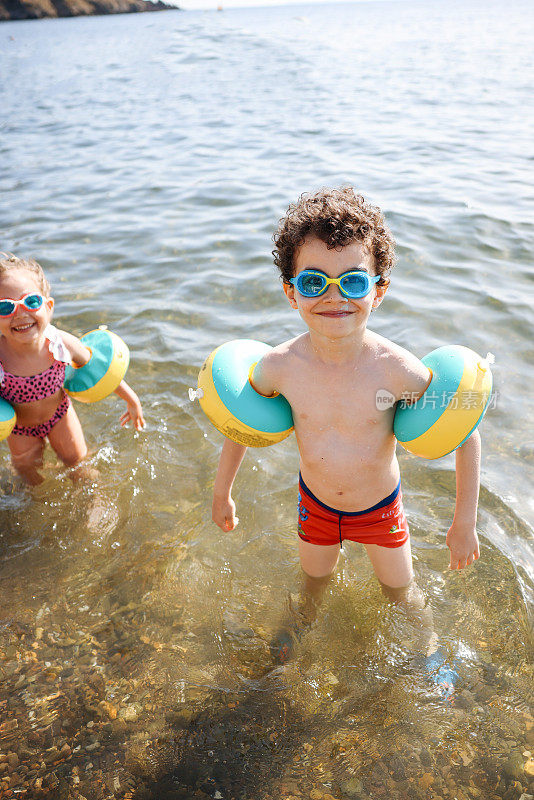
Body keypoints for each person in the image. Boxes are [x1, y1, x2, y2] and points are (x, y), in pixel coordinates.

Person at [210, 188, 481, 664]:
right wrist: (221, 491)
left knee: (402, 594)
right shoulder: (280, 366)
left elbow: (465, 430)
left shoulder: (396, 368)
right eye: (315, 282)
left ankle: (429, 661)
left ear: (378, 290)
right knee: (312, 587)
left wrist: (464, 521)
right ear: (291, 293)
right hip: (316, 505)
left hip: (380, 508)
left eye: (353, 282)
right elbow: (241, 425)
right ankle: (286, 654)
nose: (334, 296)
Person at [0, 253, 145, 485]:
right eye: (5, 307)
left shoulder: (60, 343)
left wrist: (131, 399)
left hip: (60, 417)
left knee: (80, 466)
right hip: (20, 428)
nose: (21, 313)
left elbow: (99, 371)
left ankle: (94, 505)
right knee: (28, 476)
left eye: (32, 302)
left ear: (48, 307)